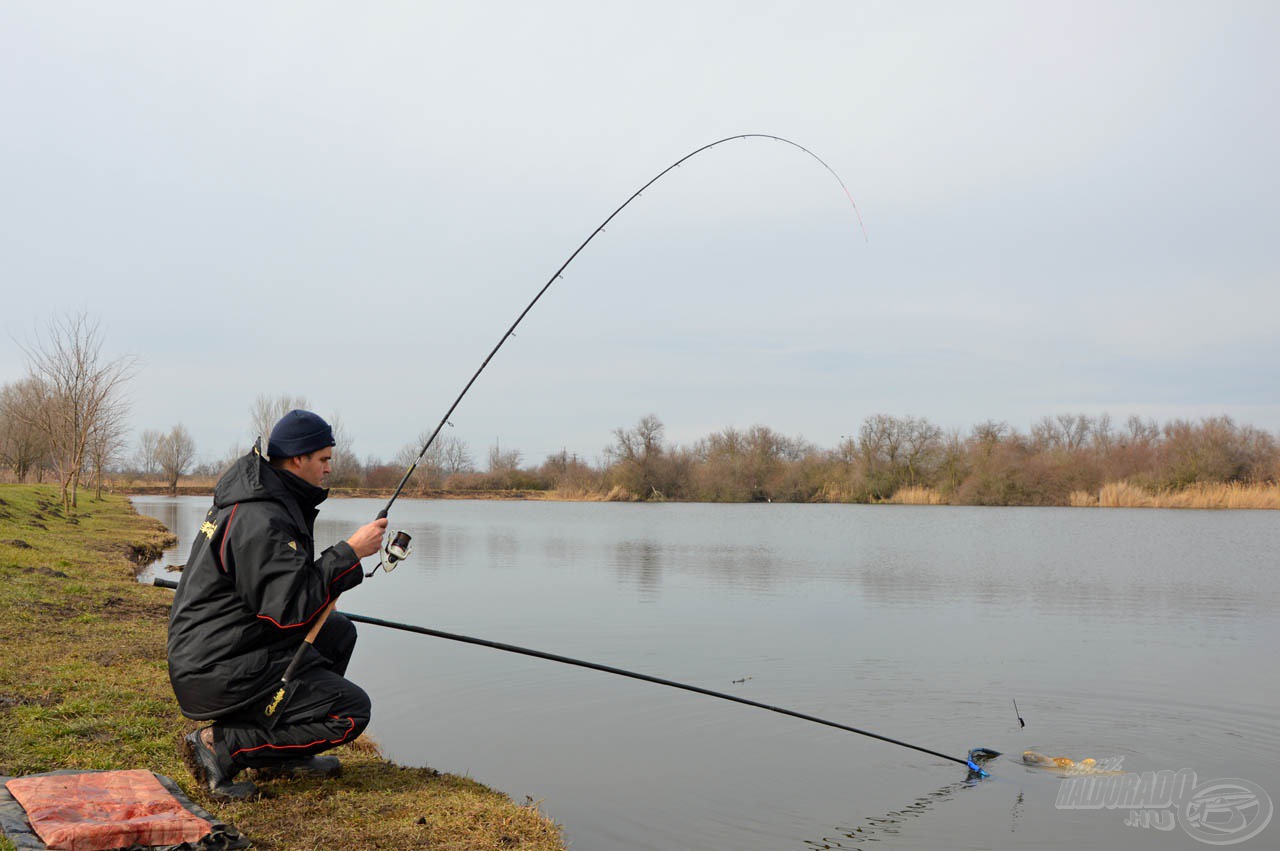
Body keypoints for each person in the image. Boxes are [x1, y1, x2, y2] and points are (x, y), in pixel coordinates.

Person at [167, 410, 387, 800]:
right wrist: (350, 552)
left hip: (228, 648)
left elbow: (287, 594)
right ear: (298, 459)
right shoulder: (260, 516)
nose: (329, 469)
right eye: (324, 460)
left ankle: (281, 753)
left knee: (336, 633)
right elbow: (289, 609)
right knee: (351, 712)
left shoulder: (269, 501)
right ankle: (222, 744)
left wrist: (337, 573)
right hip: (214, 667)